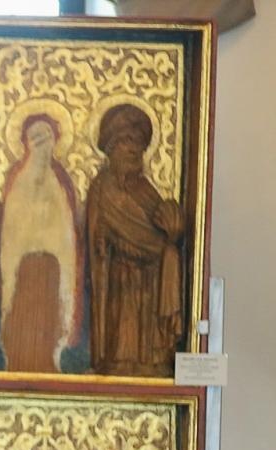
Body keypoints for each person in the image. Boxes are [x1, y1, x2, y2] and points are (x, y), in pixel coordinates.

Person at [86, 103, 186, 376]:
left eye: (139, 143)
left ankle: (152, 362)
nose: (133, 149)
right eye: (127, 141)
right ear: (112, 146)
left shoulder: (146, 190)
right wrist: (106, 241)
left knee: (149, 353)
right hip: (120, 277)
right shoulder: (102, 187)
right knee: (124, 335)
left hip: (152, 280)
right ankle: (117, 361)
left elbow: (162, 233)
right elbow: (96, 237)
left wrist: (172, 232)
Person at [0, 112, 81, 373]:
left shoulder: (61, 180)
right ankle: (18, 361)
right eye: (35, 138)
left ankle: (49, 361)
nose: (41, 143)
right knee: (21, 316)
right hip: (23, 265)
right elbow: (10, 227)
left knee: (49, 316)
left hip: (52, 265)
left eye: (46, 137)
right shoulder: (17, 177)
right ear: (25, 142)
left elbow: (68, 227)